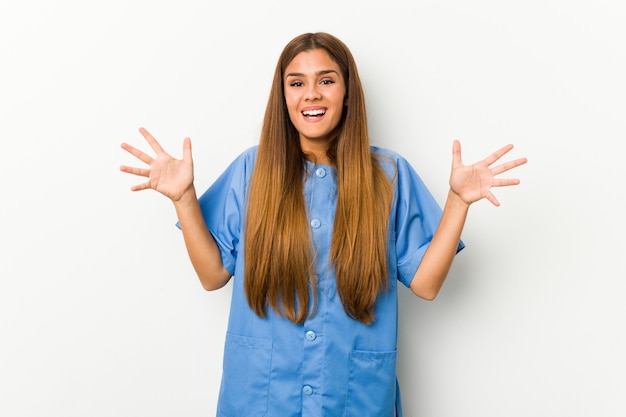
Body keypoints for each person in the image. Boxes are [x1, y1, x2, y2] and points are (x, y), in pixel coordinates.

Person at [120, 32, 527, 417]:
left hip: (353, 398)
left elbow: (426, 284)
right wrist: (183, 198)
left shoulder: (388, 175)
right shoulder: (251, 170)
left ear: (347, 93)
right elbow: (212, 275)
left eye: (326, 80)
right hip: (261, 398)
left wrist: (458, 202)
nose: (311, 93)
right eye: (296, 83)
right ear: (283, 96)